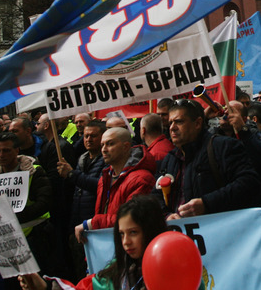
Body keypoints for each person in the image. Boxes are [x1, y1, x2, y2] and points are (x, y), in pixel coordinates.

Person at [19, 194, 168, 290]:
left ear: (150, 230)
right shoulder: (115, 271)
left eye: (133, 232)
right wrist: (44, 287)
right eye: (121, 234)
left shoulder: (170, 268)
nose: (126, 242)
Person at [156, 98, 261, 218]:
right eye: (171, 122)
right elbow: (156, 195)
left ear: (197, 123)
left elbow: (249, 183)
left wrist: (206, 204)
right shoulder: (170, 159)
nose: (172, 127)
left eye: (179, 121)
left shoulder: (223, 147)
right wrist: (166, 215)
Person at [0, 131, 59, 284]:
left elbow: (44, 202)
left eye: (6, 150)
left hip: (36, 237)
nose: (1, 155)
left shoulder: (34, 171)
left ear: (17, 151)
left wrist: (15, 217)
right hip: (8, 241)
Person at [76, 127, 156, 241]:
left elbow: (132, 218)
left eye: (110, 144)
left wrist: (93, 223)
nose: (104, 149)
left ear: (126, 146)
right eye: (102, 145)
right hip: (109, 243)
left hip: (129, 245)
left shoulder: (141, 179)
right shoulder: (105, 178)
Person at [58, 121, 107, 281]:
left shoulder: (106, 160)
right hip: (78, 223)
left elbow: (100, 185)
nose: (89, 139)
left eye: (93, 136)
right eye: (86, 136)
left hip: (95, 225)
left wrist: (72, 175)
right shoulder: (82, 158)